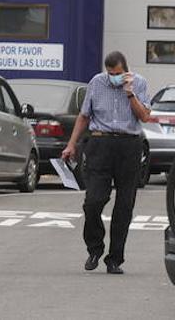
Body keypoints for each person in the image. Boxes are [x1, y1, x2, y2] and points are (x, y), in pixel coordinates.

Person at [61, 51, 152, 274]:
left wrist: (130, 94)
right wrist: (71, 144)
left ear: (126, 70)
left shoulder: (139, 83)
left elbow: (145, 116)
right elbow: (84, 116)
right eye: (111, 73)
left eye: (118, 74)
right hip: (99, 145)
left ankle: (115, 259)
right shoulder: (96, 83)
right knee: (93, 201)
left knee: (124, 205)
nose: (114, 77)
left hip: (129, 145)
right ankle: (95, 247)